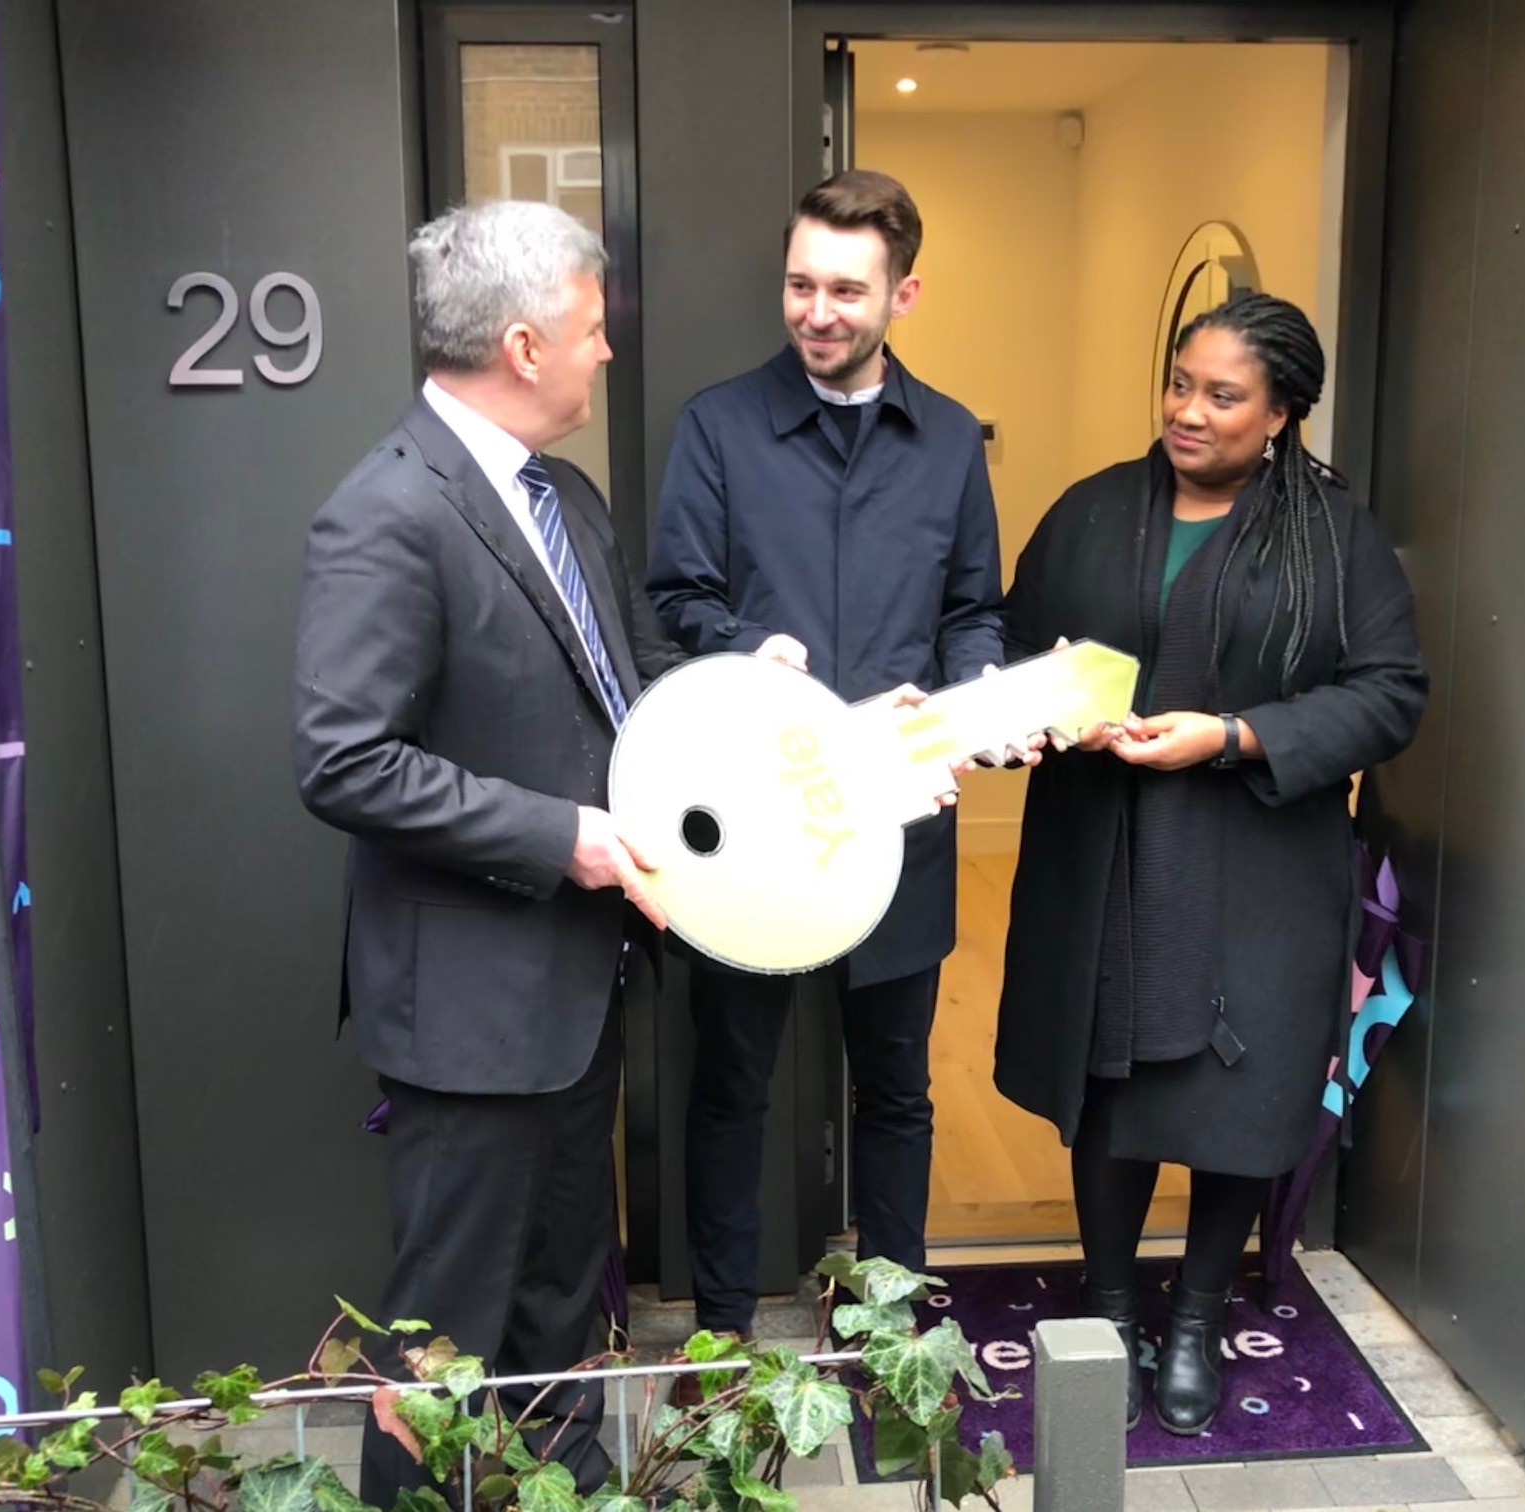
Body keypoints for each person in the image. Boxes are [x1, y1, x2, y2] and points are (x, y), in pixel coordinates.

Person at [291, 199, 680, 1504]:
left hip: (579, 996)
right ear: (522, 345)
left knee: (568, 1316)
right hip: (467, 1021)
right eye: (589, 328)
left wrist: (768, 696)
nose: (605, 351)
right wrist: (560, 836)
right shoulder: (387, 514)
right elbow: (344, 757)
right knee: (438, 1353)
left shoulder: (563, 494)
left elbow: (634, 681)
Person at [993, 293, 1427, 1436]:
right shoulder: (1090, 512)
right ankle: (1110, 1304)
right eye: (1180, 383)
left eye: (1222, 396)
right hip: (1105, 847)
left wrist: (1232, 735)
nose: (1188, 411)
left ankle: (1190, 1317)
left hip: (1262, 860)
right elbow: (1011, 646)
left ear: (1282, 412)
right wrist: (1047, 713)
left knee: (1242, 1096)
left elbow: (1390, 694)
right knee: (1111, 1084)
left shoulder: (1337, 537)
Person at [647, 170, 1005, 1342]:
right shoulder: (718, 425)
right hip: (751, 822)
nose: (816, 310)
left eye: (846, 289)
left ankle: (893, 1333)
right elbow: (678, 601)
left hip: (898, 823)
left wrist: (970, 697)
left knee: (896, 1091)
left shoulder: (952, 440)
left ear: (906, 293)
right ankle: (721, 1336)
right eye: (800, 282)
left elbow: (972, 612)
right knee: (730, 1090)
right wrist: (755, 656)